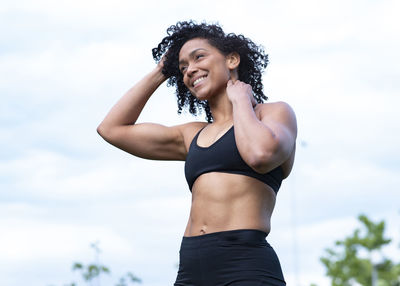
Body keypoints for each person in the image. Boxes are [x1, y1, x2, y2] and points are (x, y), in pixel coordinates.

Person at [97, 20, 297, 286]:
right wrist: (161, 70)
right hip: (191, 269)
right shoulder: (192, 135)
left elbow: (260, 155)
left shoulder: (272, 114)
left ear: (232, 59)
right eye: (183, 68)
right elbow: (111, 129)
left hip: (245, 264)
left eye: (198, 57)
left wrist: (239, 100)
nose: (190, 70)